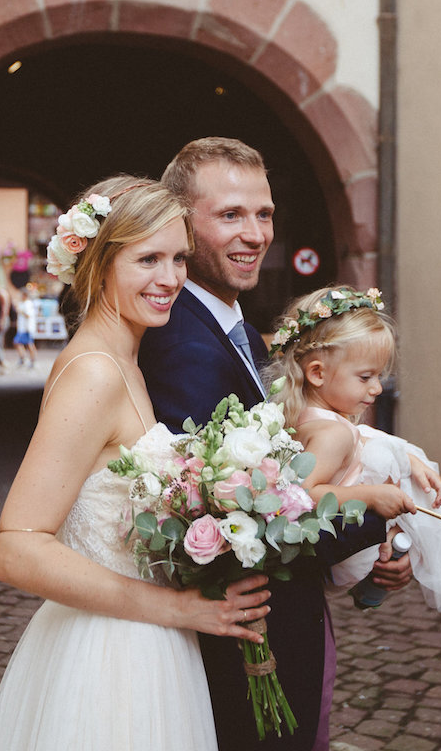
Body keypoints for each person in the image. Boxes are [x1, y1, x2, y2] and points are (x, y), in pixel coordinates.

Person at [137, 137, 414, 751]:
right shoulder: (185, 347)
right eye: (230, 215)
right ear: (182, 224)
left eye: (263, 214)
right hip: (246, 641)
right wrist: (372, 522)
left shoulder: (236, 330)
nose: (255, 233)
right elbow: (244, 521)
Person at [0, 177, 271, 750]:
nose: (170, 280)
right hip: (110, 656)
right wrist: (179, 607)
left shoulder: (125, 361)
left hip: (150, 644)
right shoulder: (94, 372)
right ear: (100, 263)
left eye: (179, 257)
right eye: (148, 259)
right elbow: (18, 546)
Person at [263, 285, 441, 616]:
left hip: (344, 550)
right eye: (365, 377)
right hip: (350, 556)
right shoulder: (333, 433)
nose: (377, 388)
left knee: (387, 455)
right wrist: (372, 496)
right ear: (317, 373)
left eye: (379, 376)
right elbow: (303, 495)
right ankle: (438, 553)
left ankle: (430, 550)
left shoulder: (307, 417)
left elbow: (361, 441)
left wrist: (408, 460)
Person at [11, 283, 39, 369]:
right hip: (22, 328)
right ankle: (23, 358)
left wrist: (20, 311)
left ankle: (32, 360)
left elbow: (28, 315)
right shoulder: (22, 303)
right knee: (19, 343)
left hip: (27, 328)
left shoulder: (28, 304)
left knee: (29, 344)